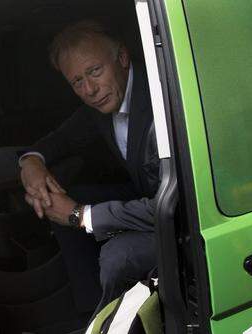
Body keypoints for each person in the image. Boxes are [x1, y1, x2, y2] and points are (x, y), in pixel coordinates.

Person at [19, 20, 159, 314]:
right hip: (148, 196)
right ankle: (88, 315)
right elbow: (59, 139)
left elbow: (173, 208)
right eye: (77, 82)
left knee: (117, 255)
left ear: (122, 57)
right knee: (59, 197)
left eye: (95, 72)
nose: (90, 89)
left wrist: (80, 215)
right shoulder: (101, 104)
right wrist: (31, 162)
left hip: (182, 220)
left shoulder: (161, 103)